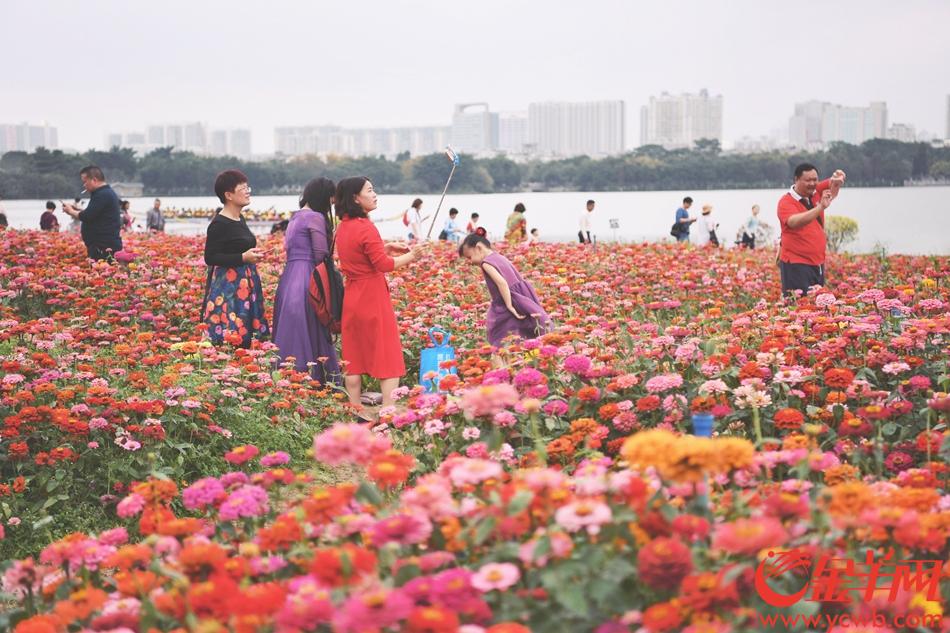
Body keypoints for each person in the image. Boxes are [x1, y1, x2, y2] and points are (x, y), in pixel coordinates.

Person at [335, 176, 425, 410]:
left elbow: (361, 257)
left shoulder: (343, 227)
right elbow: (384, 265)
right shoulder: (366, 227)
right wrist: (412, 256)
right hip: (372, 295)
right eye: (370, 190)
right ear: (356, 198)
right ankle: (388, 408)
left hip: (353, 294)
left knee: (353, 354)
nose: (375, 195)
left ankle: (355, 407)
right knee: (386, 353)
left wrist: (384, 248)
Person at [272, 177, 341, 384]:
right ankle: (316, 379)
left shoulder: (295, 217)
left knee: (291, 328)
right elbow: (321, 253)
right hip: (308, 276)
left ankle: (287, 376)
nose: (331, 204)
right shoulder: (315, 217)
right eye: (330, 199)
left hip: (289, 276)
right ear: (324, 197)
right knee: (313, 325)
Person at [202, 169, 270, 348]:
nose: (248, 191)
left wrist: (251, 255)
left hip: (246, 283)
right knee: (231, 334)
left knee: (246, 335)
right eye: (243, 188)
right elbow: (210, 257)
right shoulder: (219, 224)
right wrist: (242, 257)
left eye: (248, 187)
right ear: (228, 195)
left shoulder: (240, 219)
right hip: (229, 288)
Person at [458, 233, 552, 354]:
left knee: (499, 333)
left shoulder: (486, 263)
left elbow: (502, 283)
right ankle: (528, 357)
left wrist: (509, 305)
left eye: (469, 257)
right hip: (522, 296)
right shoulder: (499, 257)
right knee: (525, 329)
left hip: (507, 300)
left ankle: (506, 360)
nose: (470, 262)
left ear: (479, 248)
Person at [777, 163, 846, 296]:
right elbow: (793, 222)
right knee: (799, 306)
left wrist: (838, 178)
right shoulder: (786, 202)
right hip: (796, 264)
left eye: (815, 179)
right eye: (808, 180)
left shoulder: (815, 192)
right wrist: (820, 207)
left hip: (817, 262)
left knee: (817, 305)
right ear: (796, 180)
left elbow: (833, 186)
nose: (812, 183)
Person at [62, 166, 123, 260]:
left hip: (104, 246)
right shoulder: (103, 193)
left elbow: (87, 216)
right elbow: (93, 213)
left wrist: (70, 211)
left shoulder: (102, 194)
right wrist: (76, 209)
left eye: (85, 182)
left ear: (94, 180)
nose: (84, 185)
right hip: (102, 244)